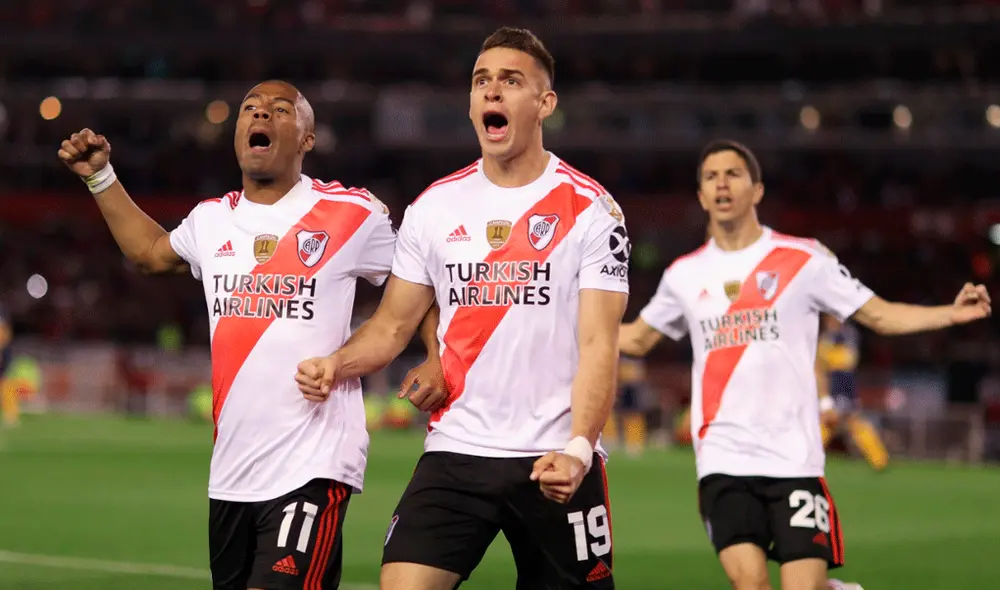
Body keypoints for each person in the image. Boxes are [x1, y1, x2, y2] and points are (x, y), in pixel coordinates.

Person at [58, 80, 431, 590]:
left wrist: (433, 355)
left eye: (281, 110)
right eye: (250, 109)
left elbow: (421, 282)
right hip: (232, 472)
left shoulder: (353, 215)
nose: (262, 115)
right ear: (238, 133)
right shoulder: (212, 220)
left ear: (307, 138)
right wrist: (101, 177)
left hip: (313, 466)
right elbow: (149, 251)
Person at [295, 27, 628, 589]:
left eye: (511, 81)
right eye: (481, 82)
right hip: (459, 451)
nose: (492, 92)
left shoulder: (592, 209)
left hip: (555, 456)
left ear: (544, 103)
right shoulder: (434, 206)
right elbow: (393, 324)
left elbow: (600, 342)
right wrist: (337, 364)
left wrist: (578, 449)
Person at [618, 139, 990, 590]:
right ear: (700, 196)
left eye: (733, 174)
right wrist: (567, 328)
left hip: (794, 460)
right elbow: (636, 338)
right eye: (710, 177)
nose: (721, 184)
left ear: (757, 190)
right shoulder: (683, 275)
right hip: (723, 459)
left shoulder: (805, 260)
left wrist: (949, 313)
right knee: (749, 583)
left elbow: (878, 314)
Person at [816, 315, 889, 471]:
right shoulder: (828, 336)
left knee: (844, 422)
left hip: (841, 385)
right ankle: (879, 460)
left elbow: (846, 361)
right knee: (835, 423)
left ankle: (879, 460)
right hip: (832, 385)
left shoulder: (845, 334)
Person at [0, 303, 15, 428]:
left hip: (3, 353)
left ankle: (10, 414)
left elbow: (3, 333)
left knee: (5, 382)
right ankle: (10, 415)